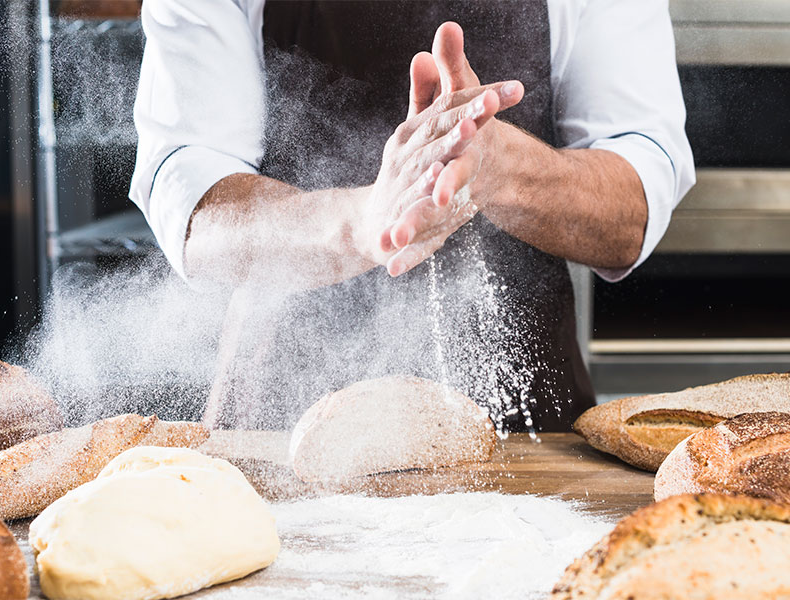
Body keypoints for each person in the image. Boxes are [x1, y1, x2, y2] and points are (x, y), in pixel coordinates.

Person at [129, 0, 694, 432]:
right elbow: (195, 206)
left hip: (523, 424)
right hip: (280, 423)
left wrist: (496, 166)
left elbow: (632, 210)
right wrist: (362, 221)